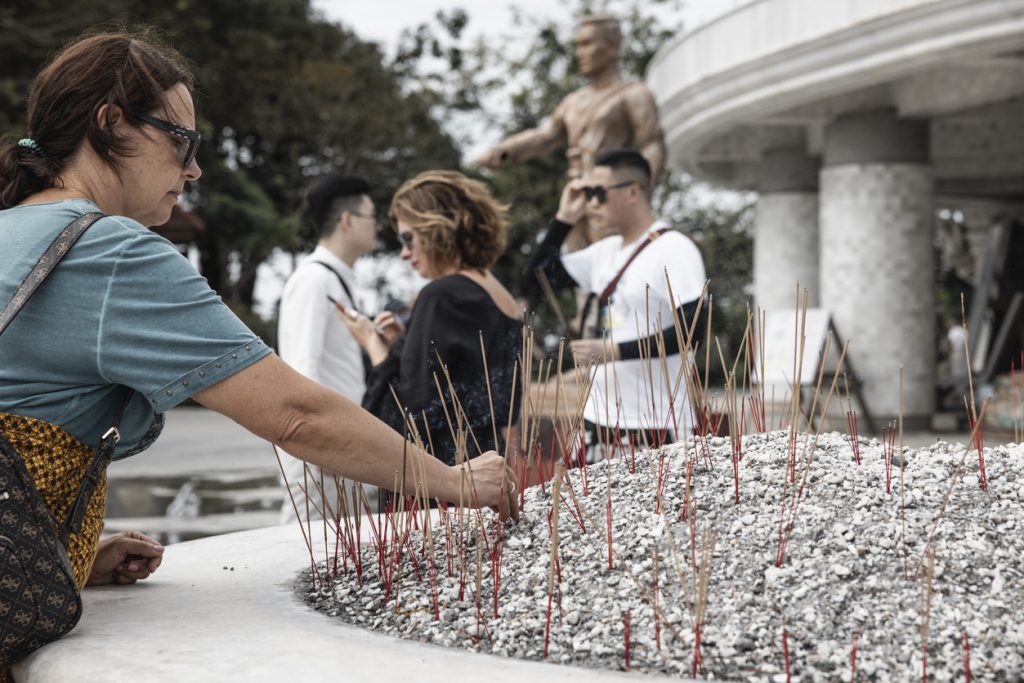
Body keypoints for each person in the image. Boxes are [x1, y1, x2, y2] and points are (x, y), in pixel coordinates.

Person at [0, 30, 517, 609]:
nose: (193, 170)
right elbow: (297, 416)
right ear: (113, 123)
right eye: (183, 142)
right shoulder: (110, 252)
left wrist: (63, 556)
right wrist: (455, 482)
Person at [341, 170, 524, 476]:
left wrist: (373, 345)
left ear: (438, 228)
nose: (404, 253)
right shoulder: (499, 294)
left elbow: (403, 418)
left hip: (442, 479)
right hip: (487, 467)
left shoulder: (441, 296)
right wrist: (407, 342)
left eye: (408, 238)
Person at [531, 148, 707, 461]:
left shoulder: (673, 248)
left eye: (599, 193)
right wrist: (563, 219)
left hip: (654, 424)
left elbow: (693, 329)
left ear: (633, 192)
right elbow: (536, 279)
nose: (592, 203)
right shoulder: (605, 251)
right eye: (588, 194)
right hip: (597, 420)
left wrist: (614, 352)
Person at [475, 15, 666, 248]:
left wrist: (639, 193)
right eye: (577, 45)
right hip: (575, 197)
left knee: (613, 263)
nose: (580, 53)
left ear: (611, 46)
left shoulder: (634, 94)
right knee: (577, 270)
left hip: (610, 197)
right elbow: (545, 136)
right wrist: (506, 149)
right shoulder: (572, 101)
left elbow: (652, 145)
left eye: (586, 44)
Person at [276, 174, 382, 524]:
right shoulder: (314, 280)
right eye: (372, 217)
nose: (378, 226)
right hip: (323, 449)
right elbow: (302, 366)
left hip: (340, 444)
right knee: (306, 555)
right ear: (347, 221)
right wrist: (318, 443)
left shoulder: (334, 279)